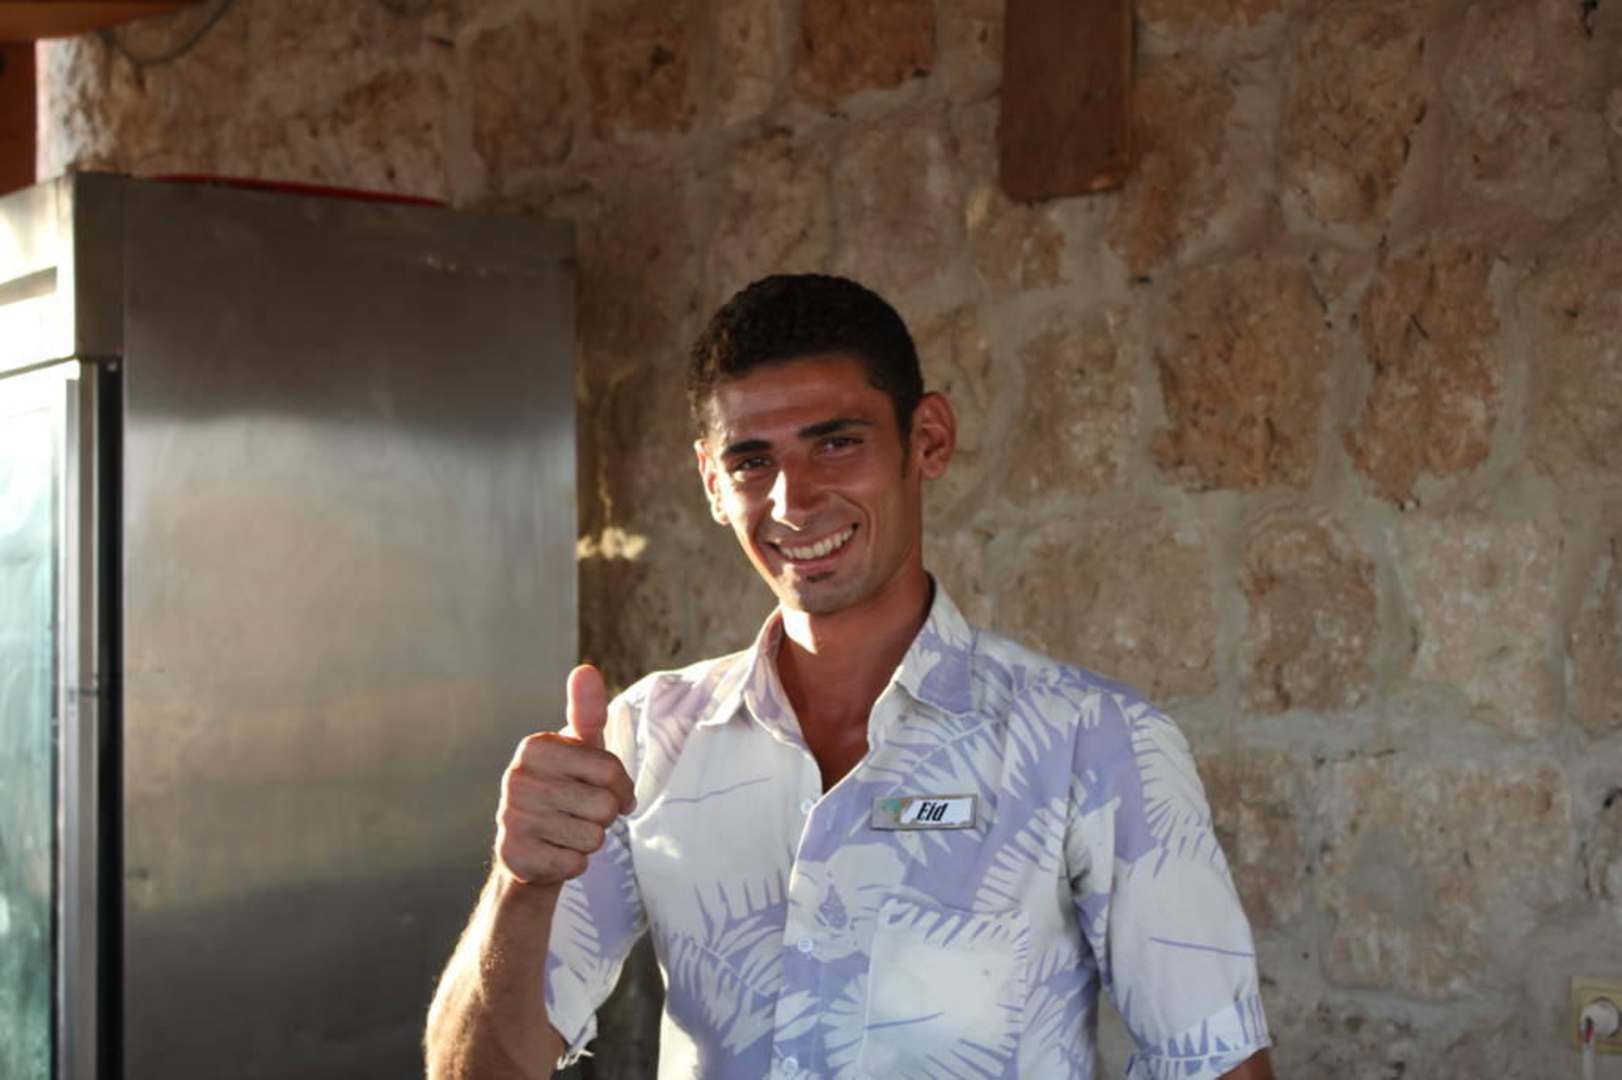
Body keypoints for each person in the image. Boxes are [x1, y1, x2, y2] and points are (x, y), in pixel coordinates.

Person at [425, 274, 1275, 1079]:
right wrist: (520, 884)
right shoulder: (646, 737)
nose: (793, 501)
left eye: (836, 443)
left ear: (927, 439)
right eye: (752, 461)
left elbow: (1217, 1064)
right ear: (713, 483)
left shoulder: (1093, 742)